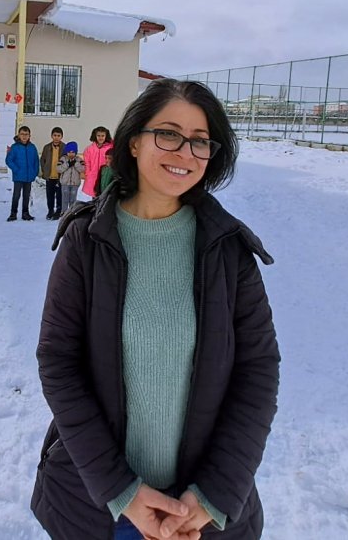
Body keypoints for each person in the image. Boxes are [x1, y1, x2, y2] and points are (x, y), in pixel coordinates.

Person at [31, 79, 280, 540]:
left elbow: (258, 370)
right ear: (133, 141)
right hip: (104, 504)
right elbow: (58, 361)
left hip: (199, 512)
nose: (185, 152)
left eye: (200, 141)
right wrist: (120, 489)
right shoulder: (87, 242)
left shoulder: (228, 250)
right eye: (169, 133)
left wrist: (213, 496)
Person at [5, 125, 39, 222]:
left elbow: (36, 160)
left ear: (29, 136)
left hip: (29, 177)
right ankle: (13, 213)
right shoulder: (15, 147)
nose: (24, 136)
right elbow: (9, 160)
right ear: (18, 135)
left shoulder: (32, 147)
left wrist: (35, 172)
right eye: (22, 134)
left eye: (26, 134)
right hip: (18, 176)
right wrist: (16, 170)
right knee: (16, 195)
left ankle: (25, 213)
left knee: (26, 196)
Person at [81, 126, 113, 198]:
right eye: (98, 135)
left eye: (102, 136)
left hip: (106, 174)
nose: (100, 138)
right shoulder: (89, 149)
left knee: (106, 196)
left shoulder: (110, 148)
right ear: (95, 136)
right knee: (95, 196)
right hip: (93, 177)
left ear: (106, 136)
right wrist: (88, 173)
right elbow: (87, 163)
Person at [40, 127, 65, 220]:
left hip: (60, 177)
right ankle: (50, 211)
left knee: (59, 195)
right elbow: (42, 159)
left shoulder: (64, 147)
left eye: (58, 136)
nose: (56, 137)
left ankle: (58, 211)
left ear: (61, 136)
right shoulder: (47, 147)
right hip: (50, 176)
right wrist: (44, 170)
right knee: (49, 195)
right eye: (55, 135)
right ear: (51, 136)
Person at [57, 141, 85, 214]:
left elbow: (83, 169)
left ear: (75, 152)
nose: (71, 154)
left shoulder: (79, 160)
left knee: (73, 199)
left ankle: (72, 212)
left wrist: (75, 164)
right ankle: (64, 212)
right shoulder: (63, 159)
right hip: (65, 183)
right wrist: (67, 164)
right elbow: (58, 169)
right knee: (65, 199)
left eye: (73, 152)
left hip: (75, 183)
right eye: (69, 152)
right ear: (66, 152)